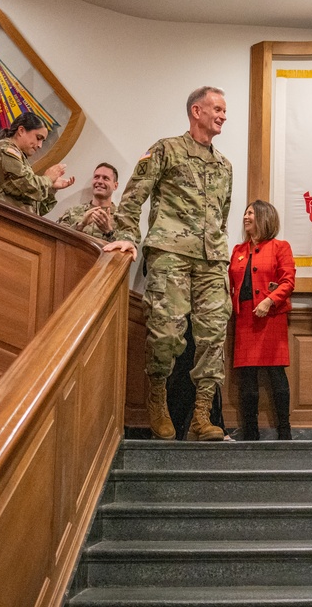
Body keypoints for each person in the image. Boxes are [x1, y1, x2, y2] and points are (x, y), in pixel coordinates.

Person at [105, 86, 233, 443]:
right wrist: (128, 235)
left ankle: (201, 417)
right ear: (197, 111)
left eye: (224, 111)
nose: (223, 116)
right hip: (170, 254)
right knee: (167, 334)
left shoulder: (225, 165)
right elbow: (134, 196)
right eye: (217, 109)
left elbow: (221, 216)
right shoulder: (165, 149)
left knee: (213, 338)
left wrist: (220, 250)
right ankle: (157, 398)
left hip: (211, 260)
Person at [229, 200, 296, 440]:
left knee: (276, 374)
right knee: (247, 376)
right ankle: (250, 431)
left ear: (265, 218)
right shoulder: (237, 251)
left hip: (270, 316)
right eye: (245, 213)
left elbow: (288, 281)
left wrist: (269, 301)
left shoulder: (280, 247)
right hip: (244, 318)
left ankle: (285, 429)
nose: (246, 217)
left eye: (251, 214)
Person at [0, 112, 74, 215]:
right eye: (38, 138)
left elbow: (34, 209)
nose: (39, 145)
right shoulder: (4, 149)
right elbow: (24, 185)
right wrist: (48, 179)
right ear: (21, 131)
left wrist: (51, 188)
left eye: (42, 141)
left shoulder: (20, 157)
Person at [57, 163, 120, 239]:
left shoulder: (123, 218)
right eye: (96, 177)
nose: (100, 181)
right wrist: (80, 226)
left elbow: (129, 248)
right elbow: (58, 238)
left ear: (115, 186)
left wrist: (109, 231)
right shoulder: (72, 212)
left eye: (105, 178)